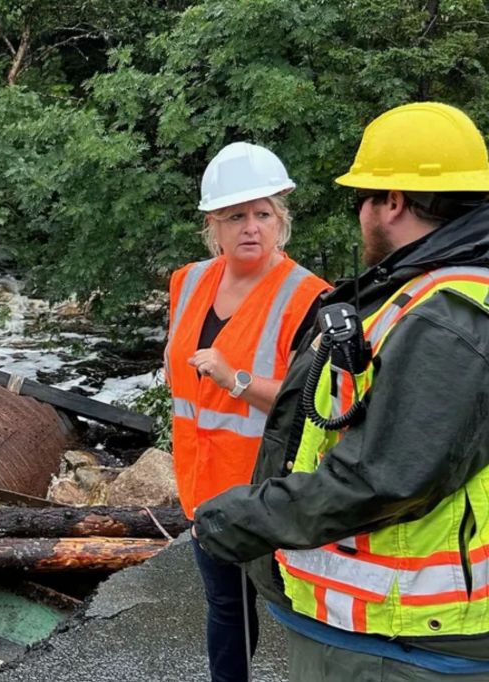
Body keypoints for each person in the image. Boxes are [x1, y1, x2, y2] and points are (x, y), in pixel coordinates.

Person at [194, 101, 489, 681]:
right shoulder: (422, 292)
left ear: (393, 202)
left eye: (364, 199)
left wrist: (247, 516)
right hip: (367, 620)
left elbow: (387, 476)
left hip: (403, 636)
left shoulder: (447, 315)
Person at [165, 141, 330, 682]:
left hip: (271, 488)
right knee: (226, 607)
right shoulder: (188, 281)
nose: (251, 227)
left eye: (263, 214)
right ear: (214, 222)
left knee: (299, 609)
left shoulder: (308, 296)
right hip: (203, 486)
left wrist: (233, 378)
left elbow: (314, 400)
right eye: (237, 215)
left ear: (281, 219)